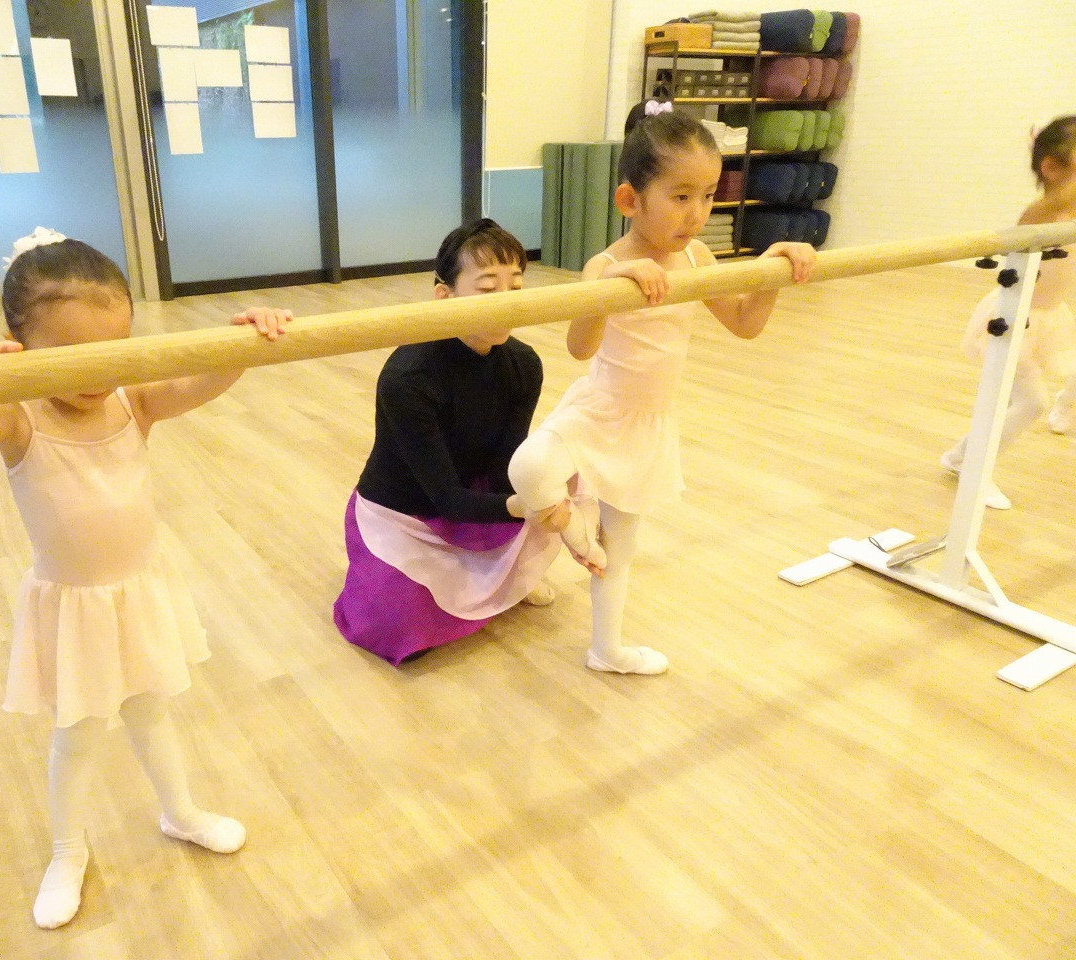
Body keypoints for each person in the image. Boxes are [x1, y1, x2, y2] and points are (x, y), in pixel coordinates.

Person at [0, 227, 291, 930]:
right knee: (81, 736)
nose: (98, 374)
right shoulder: (17, 417)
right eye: (73, 355)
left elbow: (202, 379)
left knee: (152, 712)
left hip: (139, 594)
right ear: (16, 346)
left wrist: (249, 339)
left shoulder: (132, 401)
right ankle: (68, 849)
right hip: (76, 610)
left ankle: (179, 811)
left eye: (113, 350)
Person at [507, 105, 816, 675]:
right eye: (680, 196)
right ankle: (572, 532)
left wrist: (773, 270)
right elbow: (579, 347)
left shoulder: (696, 256)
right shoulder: (604, 264)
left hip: (648, 427)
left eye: (707, 195)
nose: (697, 213)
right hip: (600, 411)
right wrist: (612, 286)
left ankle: (607, 650)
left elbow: (744, 323)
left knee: (620, 553)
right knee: (527, 469)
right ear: (630, 200)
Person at [333, 219, 566, 665]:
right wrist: (522, 508)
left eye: (516, 287)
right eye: (488, 288)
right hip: (407, 512)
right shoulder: (409, 377)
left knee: (560, 473)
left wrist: (543, 499)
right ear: (445, 296)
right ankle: (479, 579)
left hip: (471, 493)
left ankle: (501, 578)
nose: (506, 302)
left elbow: (506, 464)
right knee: (395, 627)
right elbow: (443, 497)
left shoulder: (523, 363)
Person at [940, 115, 1076, 508]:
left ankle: (960, 458)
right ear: (1051, 168)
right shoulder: (1040, 213)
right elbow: (1053, 204)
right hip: (1012, 317)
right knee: (1031, 402)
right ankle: (970, 466)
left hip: (1048, 317)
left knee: (1034, 399)